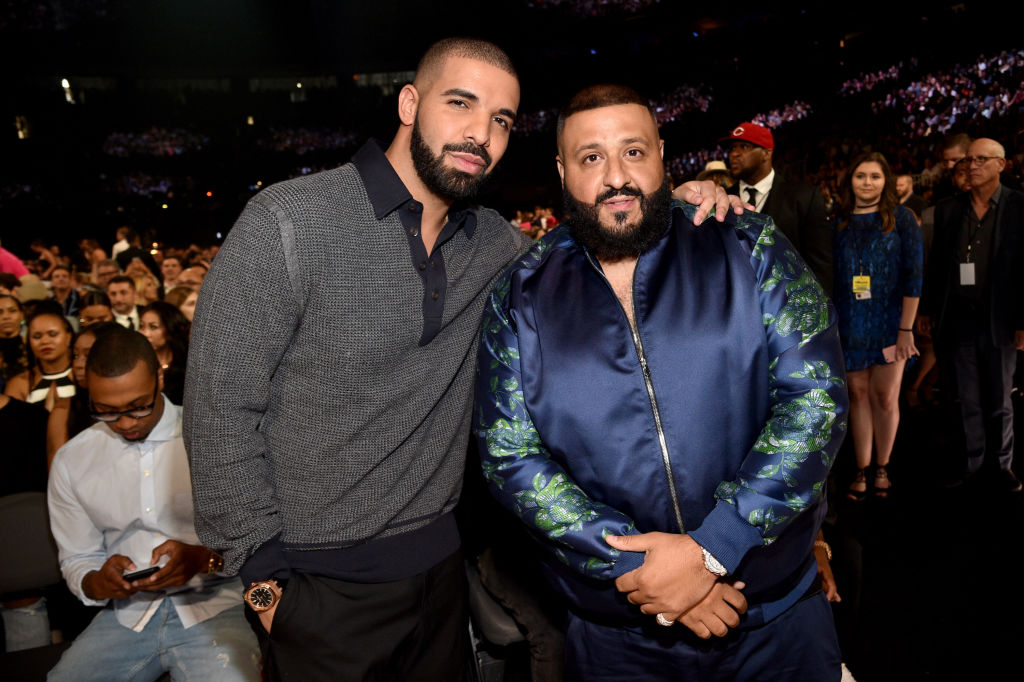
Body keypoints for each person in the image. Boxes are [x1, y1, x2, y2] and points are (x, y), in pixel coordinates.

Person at [184, 39, 743, 682]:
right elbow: (220, 404)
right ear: (409, 102)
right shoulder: (288, 219)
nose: (480, 134)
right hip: (315, 589)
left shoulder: (497, 247)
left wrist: (680, 202)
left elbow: (603, 236)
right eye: (461, 104)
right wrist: (265, 583)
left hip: (440, 583)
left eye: (502, 120)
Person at [474, 84, 847, 681]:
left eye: (634, 151)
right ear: (562, 171)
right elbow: (509, 457)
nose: (616, 176)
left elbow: (816, 399)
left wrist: (714, 546)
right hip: (619, 636)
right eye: (591, 157)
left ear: (662, 156)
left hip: (774, 619)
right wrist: (646, 566)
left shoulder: (748, 244)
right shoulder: (520, 296)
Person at [46, 326, 260, 681]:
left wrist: (203, 558)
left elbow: (255, 537)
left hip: (218, 603)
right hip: (127, 615)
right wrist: (98, 582)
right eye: (107, 411)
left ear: (159, 376)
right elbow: (77, 558)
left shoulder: (208, 437)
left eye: (138, 406)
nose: (127, 422)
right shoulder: (73, 459)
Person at [920, 138, 1024, 493]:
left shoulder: (1018, 206)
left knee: (999, 396)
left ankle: (1002, 464)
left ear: (1001, 165)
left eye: (982, 159)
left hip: (1001, 319)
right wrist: (928, 311)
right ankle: (972, 462)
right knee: (965, 395)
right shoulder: (949, 209)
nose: (973, 165)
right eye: (969, 159)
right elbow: (936, 268)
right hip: (958, 318)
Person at [833, 152, 922, 500]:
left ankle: (882, 465)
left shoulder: (903, 219)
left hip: (891, 322)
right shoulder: (837, 221)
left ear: (886, 181)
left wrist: (906, 329)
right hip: (851, 321)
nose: (867, 183)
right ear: (849, 181)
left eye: (875, 176)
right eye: (860, 176)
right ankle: (861, 466)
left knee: (885, 397)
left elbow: (914, 277)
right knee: (857, 396)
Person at [723, 121, 834, 295]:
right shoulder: (721, 198)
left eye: (744, 147)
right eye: (732, 148)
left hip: (788, 305)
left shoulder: (803, 196)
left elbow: (820, 263)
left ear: (766, 153)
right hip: (736, 305)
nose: (734, 154)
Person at [46, 321, 120, 465]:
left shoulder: (136, 406)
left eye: (88, 355)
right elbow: (58, 470)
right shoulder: (64, 409)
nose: (78, 364)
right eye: (75, 355)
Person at [3, 303, 76, 408]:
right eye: (37, 336)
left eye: (53, 334)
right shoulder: (19, 383)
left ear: (68, 337)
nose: (45, 341)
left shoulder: (84, 377)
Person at [139, 301, 190, 405]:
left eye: (153, 327)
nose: (145, 333)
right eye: (142, 326)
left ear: (169, 329)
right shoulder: (137, 363)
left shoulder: (187, 364)